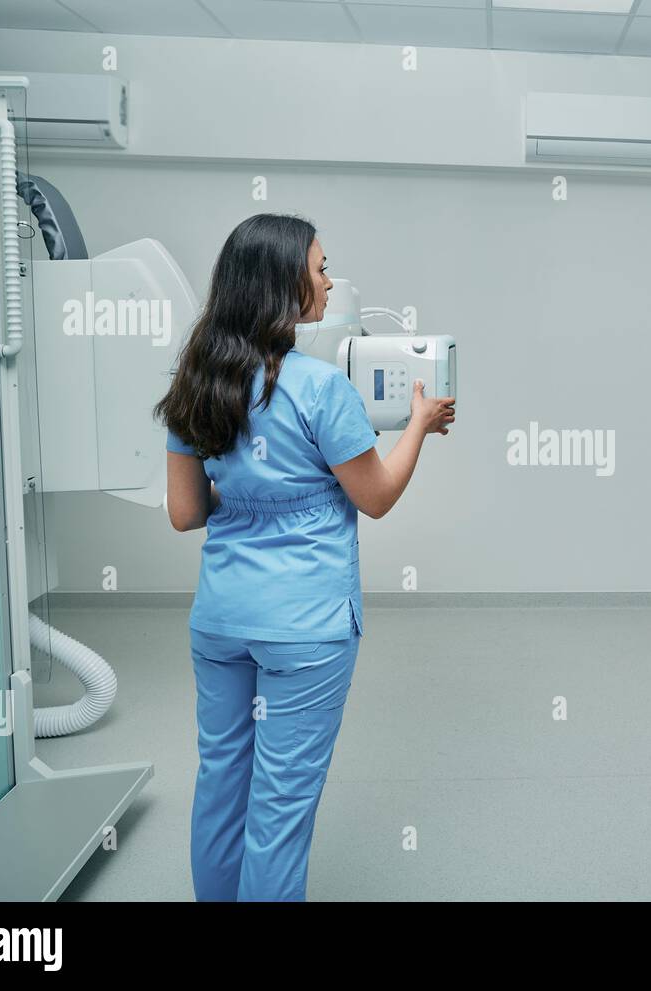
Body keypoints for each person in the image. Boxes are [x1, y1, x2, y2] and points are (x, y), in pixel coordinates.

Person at [154, 213, 455, 901]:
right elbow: (375, 496)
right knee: (281, 809)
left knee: (222, 783)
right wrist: (418, 427)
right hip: (306, 628)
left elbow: (184, 513)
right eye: (320, 268)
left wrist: (244, 486)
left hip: (223, 620)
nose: (327, 280)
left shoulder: (194, 383)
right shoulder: (322, 389)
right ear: (286, 284)